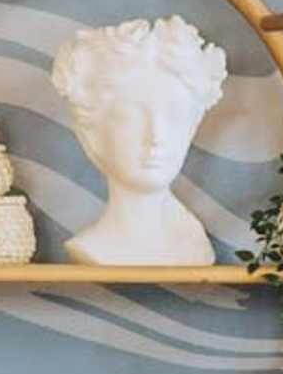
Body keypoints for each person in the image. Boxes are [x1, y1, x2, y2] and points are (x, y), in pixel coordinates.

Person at [52, 16, 228, 267]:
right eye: (130, 118)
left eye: (174, 116)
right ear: (91, 133)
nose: (156, 136)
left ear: (191, 128)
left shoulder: (190, 242)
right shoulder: (94, 248)